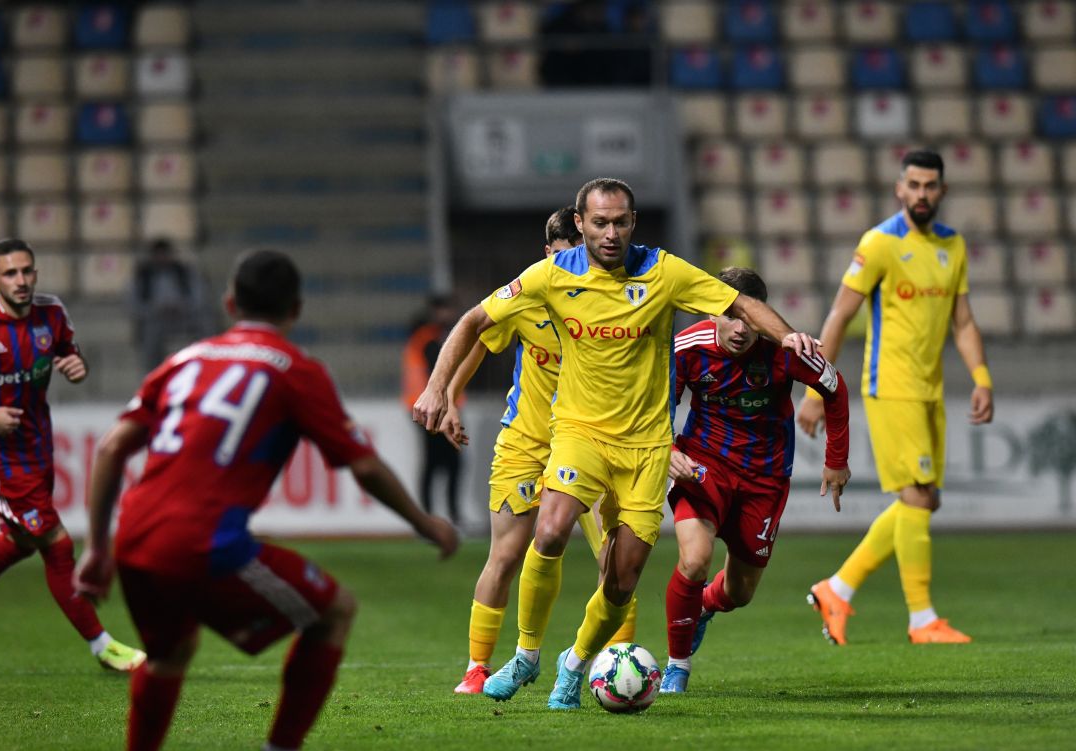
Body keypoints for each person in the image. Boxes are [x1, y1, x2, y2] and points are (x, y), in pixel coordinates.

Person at [414, 177, 818, 710]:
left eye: (620, 222)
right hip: (580, 434)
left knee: (621, 578)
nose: (610, 233)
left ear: (633, 223)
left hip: (647, 448)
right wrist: (437, 387)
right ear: (580, 224)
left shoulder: (664, 272)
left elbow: (739, 302)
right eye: (599, 222)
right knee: (551, 529)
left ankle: (573, 665)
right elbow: (473, 322)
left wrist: (787, 335)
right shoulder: (551, 275)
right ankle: (525, 657)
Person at [74, 248, 458, 751]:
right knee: (334, 612)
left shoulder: (185, 359)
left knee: (169, 651)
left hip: (135, 534)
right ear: (296, 309)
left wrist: (98, 546)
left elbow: (111, 447)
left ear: (230, 303)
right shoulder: (295, 370)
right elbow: (364, 464)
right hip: (203, 539)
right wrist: (424, 523)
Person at [0, 238, 144, 672]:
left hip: (39, 445)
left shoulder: (52, 313)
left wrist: (78, 367)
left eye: (27, 271)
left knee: (21, 543)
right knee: (56, 546)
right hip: (1, 458)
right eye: (10, 273)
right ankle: (104, 647)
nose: (20, 281)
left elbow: (68, 356)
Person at [797, 149, 994, 645]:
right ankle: (922, 618)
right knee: (917, 496)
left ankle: (836, 589)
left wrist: (982, 377)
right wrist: (818, 387)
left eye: (931, 185)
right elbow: (841, 315)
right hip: (891, 385)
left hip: (930, 389)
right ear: (899, 189)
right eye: (914, 184)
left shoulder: (953, 245)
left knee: (925, 501)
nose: (922, 193)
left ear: (942, 191)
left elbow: (963, 320)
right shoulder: (880, 243)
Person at [439, 206, 629, 696]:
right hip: (526, 442)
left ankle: (615, 661)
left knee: (615, 556)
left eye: (582, 258)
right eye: (565, 258)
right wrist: (449, 397)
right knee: (505, 554)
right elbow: (480, 335)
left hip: (590, 440)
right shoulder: (528, 293)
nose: (574, 270)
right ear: (548, 254)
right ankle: (478, 667)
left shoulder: (608, 298)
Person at [661, 267, 851, 694]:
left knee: (740, 593)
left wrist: (835, 460)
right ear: (713, 314)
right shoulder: (686, 349)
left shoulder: (784, 351)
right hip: (704, 466)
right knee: (694, 559)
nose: (740, 329)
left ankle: (705, 605)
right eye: (731, 316)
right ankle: (677, 665)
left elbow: (835, 388)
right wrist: (669, 453)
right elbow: (656, 410)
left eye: (749, 319)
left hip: (764, 479)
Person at [402, 295, 464, 525]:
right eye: (444, 309)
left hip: (431, 407)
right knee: (445, 463)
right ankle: (439, 518)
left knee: (438, 463)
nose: (448, 315)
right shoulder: (430, 339)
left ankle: (430, 518)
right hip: (433, 408)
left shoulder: (427, 337)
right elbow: (436, 376)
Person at [131, 238, 211, 371]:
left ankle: (206, 364)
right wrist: (155, 309)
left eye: (165, 254)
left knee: (206, 322)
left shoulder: (185, 272)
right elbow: (134, 304)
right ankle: (153, 372)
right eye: (159, 254)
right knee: (149, 334)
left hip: (184, 316)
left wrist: (183, 306)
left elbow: (199, 297)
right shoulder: (143, 276)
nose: (162, 258)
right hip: (156, 319)